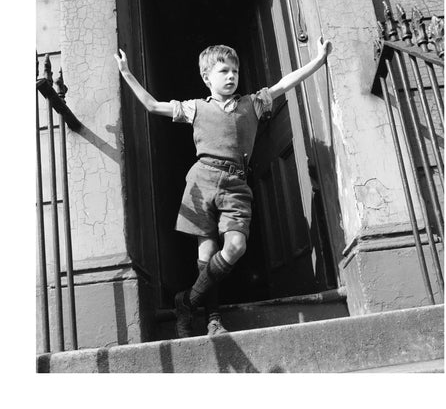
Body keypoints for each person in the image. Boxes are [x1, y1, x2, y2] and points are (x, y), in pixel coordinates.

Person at [114, 37, 332, 338]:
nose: (231, 76)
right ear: (207, 77)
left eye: (235, 71)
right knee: (206, 255)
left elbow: (286, 82)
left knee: (236, 247)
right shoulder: (194, 109)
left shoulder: (253, 103)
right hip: (201, 182)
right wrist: (126, 72)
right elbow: (152, 105)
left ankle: (186, 301)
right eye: (223, 71)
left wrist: (318, 60)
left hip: (236, 185)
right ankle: (213, 320)